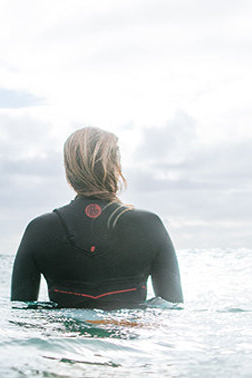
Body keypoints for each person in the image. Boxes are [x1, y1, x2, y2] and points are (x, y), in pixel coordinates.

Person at [11, 126, 183, 309]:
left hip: (66, 336)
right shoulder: (150, 225)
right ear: (115, 166)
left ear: (69, 169)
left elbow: (21, 313)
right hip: (125, 334)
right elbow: (172, 308)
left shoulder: (39, 230)